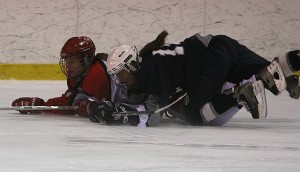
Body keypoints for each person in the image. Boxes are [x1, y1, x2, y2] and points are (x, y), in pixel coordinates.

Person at [86, 30, 300, 127]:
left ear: (132, 66)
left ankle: (238, 95)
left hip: (212, 60)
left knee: (194, 114)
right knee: (269, 69)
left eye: (121, 73)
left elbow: (153, 115)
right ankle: (279, 76)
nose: (120, 80)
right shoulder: (148, 63)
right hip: (221, 44)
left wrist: (118, 115)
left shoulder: (148, 73)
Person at [11, 36, 111, 117]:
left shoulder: (96, 74)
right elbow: (69, 101)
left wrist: (93, 109)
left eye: (72, 61)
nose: (67, 66)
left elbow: (111, 108)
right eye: (66, 61)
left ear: (86, 60)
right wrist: (41, 105)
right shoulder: (79, 73)